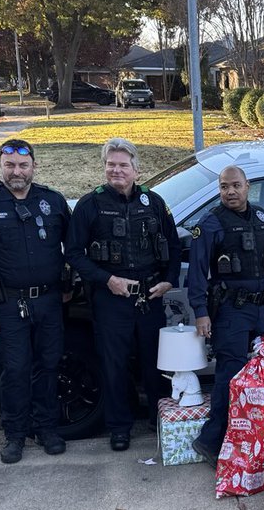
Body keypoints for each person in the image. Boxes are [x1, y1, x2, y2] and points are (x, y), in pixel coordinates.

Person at [0, 139, 71, 465]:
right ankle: (15, 435)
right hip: (5, 304)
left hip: (48, 301)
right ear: (0, 167)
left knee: (48, 366)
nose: (16, 171)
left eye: (23, 165)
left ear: (34, 166)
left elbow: (72, 246)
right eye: (10, 165)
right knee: (15, 370)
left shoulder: (53, 200)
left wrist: (67, 283)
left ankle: (47, 429)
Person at [66, 138, 180, 451]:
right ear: (105, 167)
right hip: (111, 298)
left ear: (136, 170)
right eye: (111, 164)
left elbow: (173, 245)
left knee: (156, 363)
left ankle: (161, 420)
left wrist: (169, 281)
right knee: (113, 364)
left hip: (150, 297)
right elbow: (74, 253)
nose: (116, 170)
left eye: (123, 165)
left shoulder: (153, 202)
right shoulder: (90, 204)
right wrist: (106, 279)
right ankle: (119, 427)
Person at [188, 165, 264, 462]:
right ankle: (212, 442)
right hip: (230, 312)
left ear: (248, 186)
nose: (230, 192)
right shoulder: (210, 223)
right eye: (224, 187)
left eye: (235, 185)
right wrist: (201, 312)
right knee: (230, 376)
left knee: (256, 377)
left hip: (261, 310)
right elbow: (197, 273)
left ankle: (248, 437)